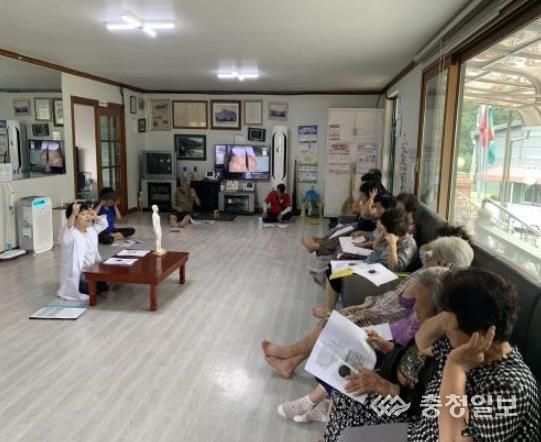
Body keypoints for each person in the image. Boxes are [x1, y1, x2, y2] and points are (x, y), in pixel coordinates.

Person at [324, 268, 540, 441]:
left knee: (350, 438)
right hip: (420, 420)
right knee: (347, 398)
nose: (445, 330)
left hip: (430, 434)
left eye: (450, 326)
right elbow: (422, 339)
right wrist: (449, 316)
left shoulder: (510, 387)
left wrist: (455, 367)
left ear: (477, 334)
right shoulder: (461, 343)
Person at [261, 236, 474, 379]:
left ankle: (289, 353)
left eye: (431, 257)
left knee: (333, 322)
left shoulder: (436, 284)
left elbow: (408, 308)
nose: (426, 259)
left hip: (386, 319)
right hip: (380, 306)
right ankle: (291, 362)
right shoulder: (432, 273)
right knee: (333, 318)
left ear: (445, 264)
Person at [277, 267, 448, 424]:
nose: (415, 310)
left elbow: (425, 404)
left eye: (420, 309)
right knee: (346, 350)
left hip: (398, 398)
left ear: (440, 316)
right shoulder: (423, 328)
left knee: (352, 370)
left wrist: (385, 386)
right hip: (390, 353)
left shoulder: (440, 354)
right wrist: (389, 347)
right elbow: (405, 351)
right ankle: (325, 408)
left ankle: (312, 402)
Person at [311, 208, 417, 319]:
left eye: (384, 227)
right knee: (334, 266)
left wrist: (392, 245)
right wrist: (383, 234)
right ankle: (328, 304)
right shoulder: (393, 235)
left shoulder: (408, 244)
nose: (381, 228)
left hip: (379, 275)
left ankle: (328, 310)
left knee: (334, 273)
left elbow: (395, 269)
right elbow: (376, 247)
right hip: (368, 265)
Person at [57, 202, 112, 302]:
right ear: (74, 219)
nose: (87, 216)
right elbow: (68, 228)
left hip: (92, 271)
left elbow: (104, 224)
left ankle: (99, 288)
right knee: (86, 287)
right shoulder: (71, 234)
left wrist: (96, 217)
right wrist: (73, 213)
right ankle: (99, 289)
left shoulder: (91, 230)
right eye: (83, 214)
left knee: (107, 273)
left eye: (87, 213)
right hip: (79, 275)